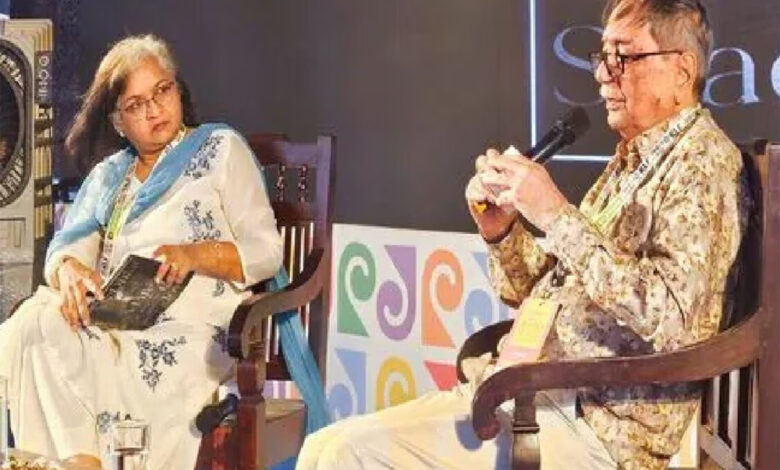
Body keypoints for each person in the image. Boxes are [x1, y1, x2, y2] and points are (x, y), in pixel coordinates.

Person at [297, 0, 747, 469]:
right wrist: (503, 231)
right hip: (537, 393)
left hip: (595, 423)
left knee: (343, 455)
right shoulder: (632, 161)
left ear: (681, 70)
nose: (602, 75)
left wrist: (556, 214)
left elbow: (671, 319)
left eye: (623, 57)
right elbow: (536, 290)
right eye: (602, 57)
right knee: (323, 445)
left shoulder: (702, 164)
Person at [0, 35, 284, 469]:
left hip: (194, 333)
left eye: (162, 91)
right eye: (136, 104)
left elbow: (265, 252)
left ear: (178, 90)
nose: (154, 109)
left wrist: (194, 255)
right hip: (115, 327)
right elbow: (69, 245)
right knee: (37, 323)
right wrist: (69, 271)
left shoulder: (220, 150)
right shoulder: (111, 176)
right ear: (118, 122)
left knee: (48, 336)